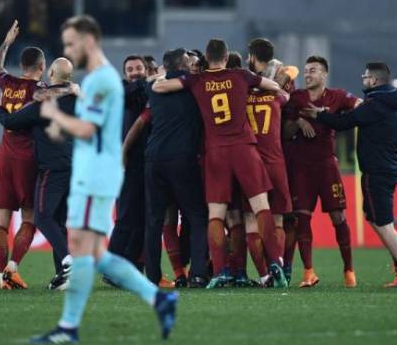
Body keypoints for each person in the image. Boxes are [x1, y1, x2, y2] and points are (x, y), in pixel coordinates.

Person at [31, 15, 177, 345]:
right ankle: (154, 301)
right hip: (93, 168)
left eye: (71, 43)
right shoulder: (97, 81)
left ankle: (69, 326)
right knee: (90, 251)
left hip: (97, 173)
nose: (69, 49)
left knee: (87, 249)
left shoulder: (103, 81)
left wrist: (54, 115)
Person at [152, 38, 290, 289]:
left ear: (206, 57)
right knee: (261, 207)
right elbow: (273, 86)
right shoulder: (240, 75)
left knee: (216, 214)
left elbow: (160, 88)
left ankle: (220, 272)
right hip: (243, 149)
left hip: (215, 152)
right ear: (226, 57)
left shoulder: (197, 80)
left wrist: (159, 77)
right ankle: (276, 265)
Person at [302, 61, 397, 288]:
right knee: (373, 216)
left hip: (378, 170)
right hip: (386, 168)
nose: (363, 80)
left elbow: (345, 122)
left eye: (365, 77)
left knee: (383, 222)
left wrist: (319, 114)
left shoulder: (377, 104)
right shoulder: (391, 99)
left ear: (374, 80)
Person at [0, 57, 78, 290]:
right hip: (74, 165)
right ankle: (63, 276)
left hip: (50, 166)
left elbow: (11, 121)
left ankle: (67, 260)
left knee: (42, 217)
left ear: (50, 73)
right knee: (59, 221)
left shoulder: (43, 103)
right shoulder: (78, 99)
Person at [283, 56, 362, 288]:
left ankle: (349, 271)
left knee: (338, 217)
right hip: (301, 168)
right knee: (301, 220)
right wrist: (297, 121)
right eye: (306, 71)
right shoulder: (296, 99)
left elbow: (359, 106)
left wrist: (339, 117)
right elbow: (285, 132)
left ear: (324, 74)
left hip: (327, 166)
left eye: (313, 70)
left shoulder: (337, 96)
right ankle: (308, 272)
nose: (308, 74)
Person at [143, 48, 208, 288]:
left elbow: (152, 83)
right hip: (182, 159)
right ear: (184, 64)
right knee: (197, 216)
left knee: (154, 220)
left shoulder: (153, 87)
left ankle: (152, 276)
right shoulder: (194, 85)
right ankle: (199, 274)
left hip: (154, 159)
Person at [0, 20, 46, 290]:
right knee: (29, 217)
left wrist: (6, 42)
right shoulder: (40, 91)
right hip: (28, 158)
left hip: (4, 155)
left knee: (0, 221)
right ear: (42, 66)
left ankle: (2, 277)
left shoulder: (8, 83)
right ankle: (12, 269)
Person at [245, 38, 293, 286]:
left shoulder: (242, 93)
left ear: (252, 56)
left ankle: (264, 274)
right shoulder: (278, 97)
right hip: (275, 161)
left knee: (251, 220)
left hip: (250, 162)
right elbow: (288, 98)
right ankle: (281, 268)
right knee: (277, 220)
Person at [107, 55, 149, 271]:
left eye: (139, 68)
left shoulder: (148, 90)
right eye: (130, 69)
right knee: (125, 217)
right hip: (126, 163)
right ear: (124, 74)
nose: (135, 72)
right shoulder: (122, 90)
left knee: (142, 219)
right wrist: (148, 80)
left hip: (147, 162)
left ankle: (131, 266)